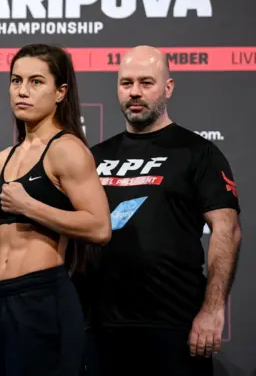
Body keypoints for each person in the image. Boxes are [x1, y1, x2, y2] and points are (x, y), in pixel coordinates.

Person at [85, 45, 242, 376]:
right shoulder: (93, 157)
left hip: (174, 325)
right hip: (100, 327)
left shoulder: (198, 153)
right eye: (126, 83)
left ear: (167, 88)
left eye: (146, 82)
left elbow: (227, 230)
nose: (135, 93)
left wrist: (212, 311)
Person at [0, 43, 112, 376]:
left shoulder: (67, 150)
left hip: (43, 299)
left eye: (36, 82)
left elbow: (99, 227)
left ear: (60, 92)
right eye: (16, 81)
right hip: (2, 301)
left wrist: (30, 205)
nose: (22, 91)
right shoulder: (5, 158)